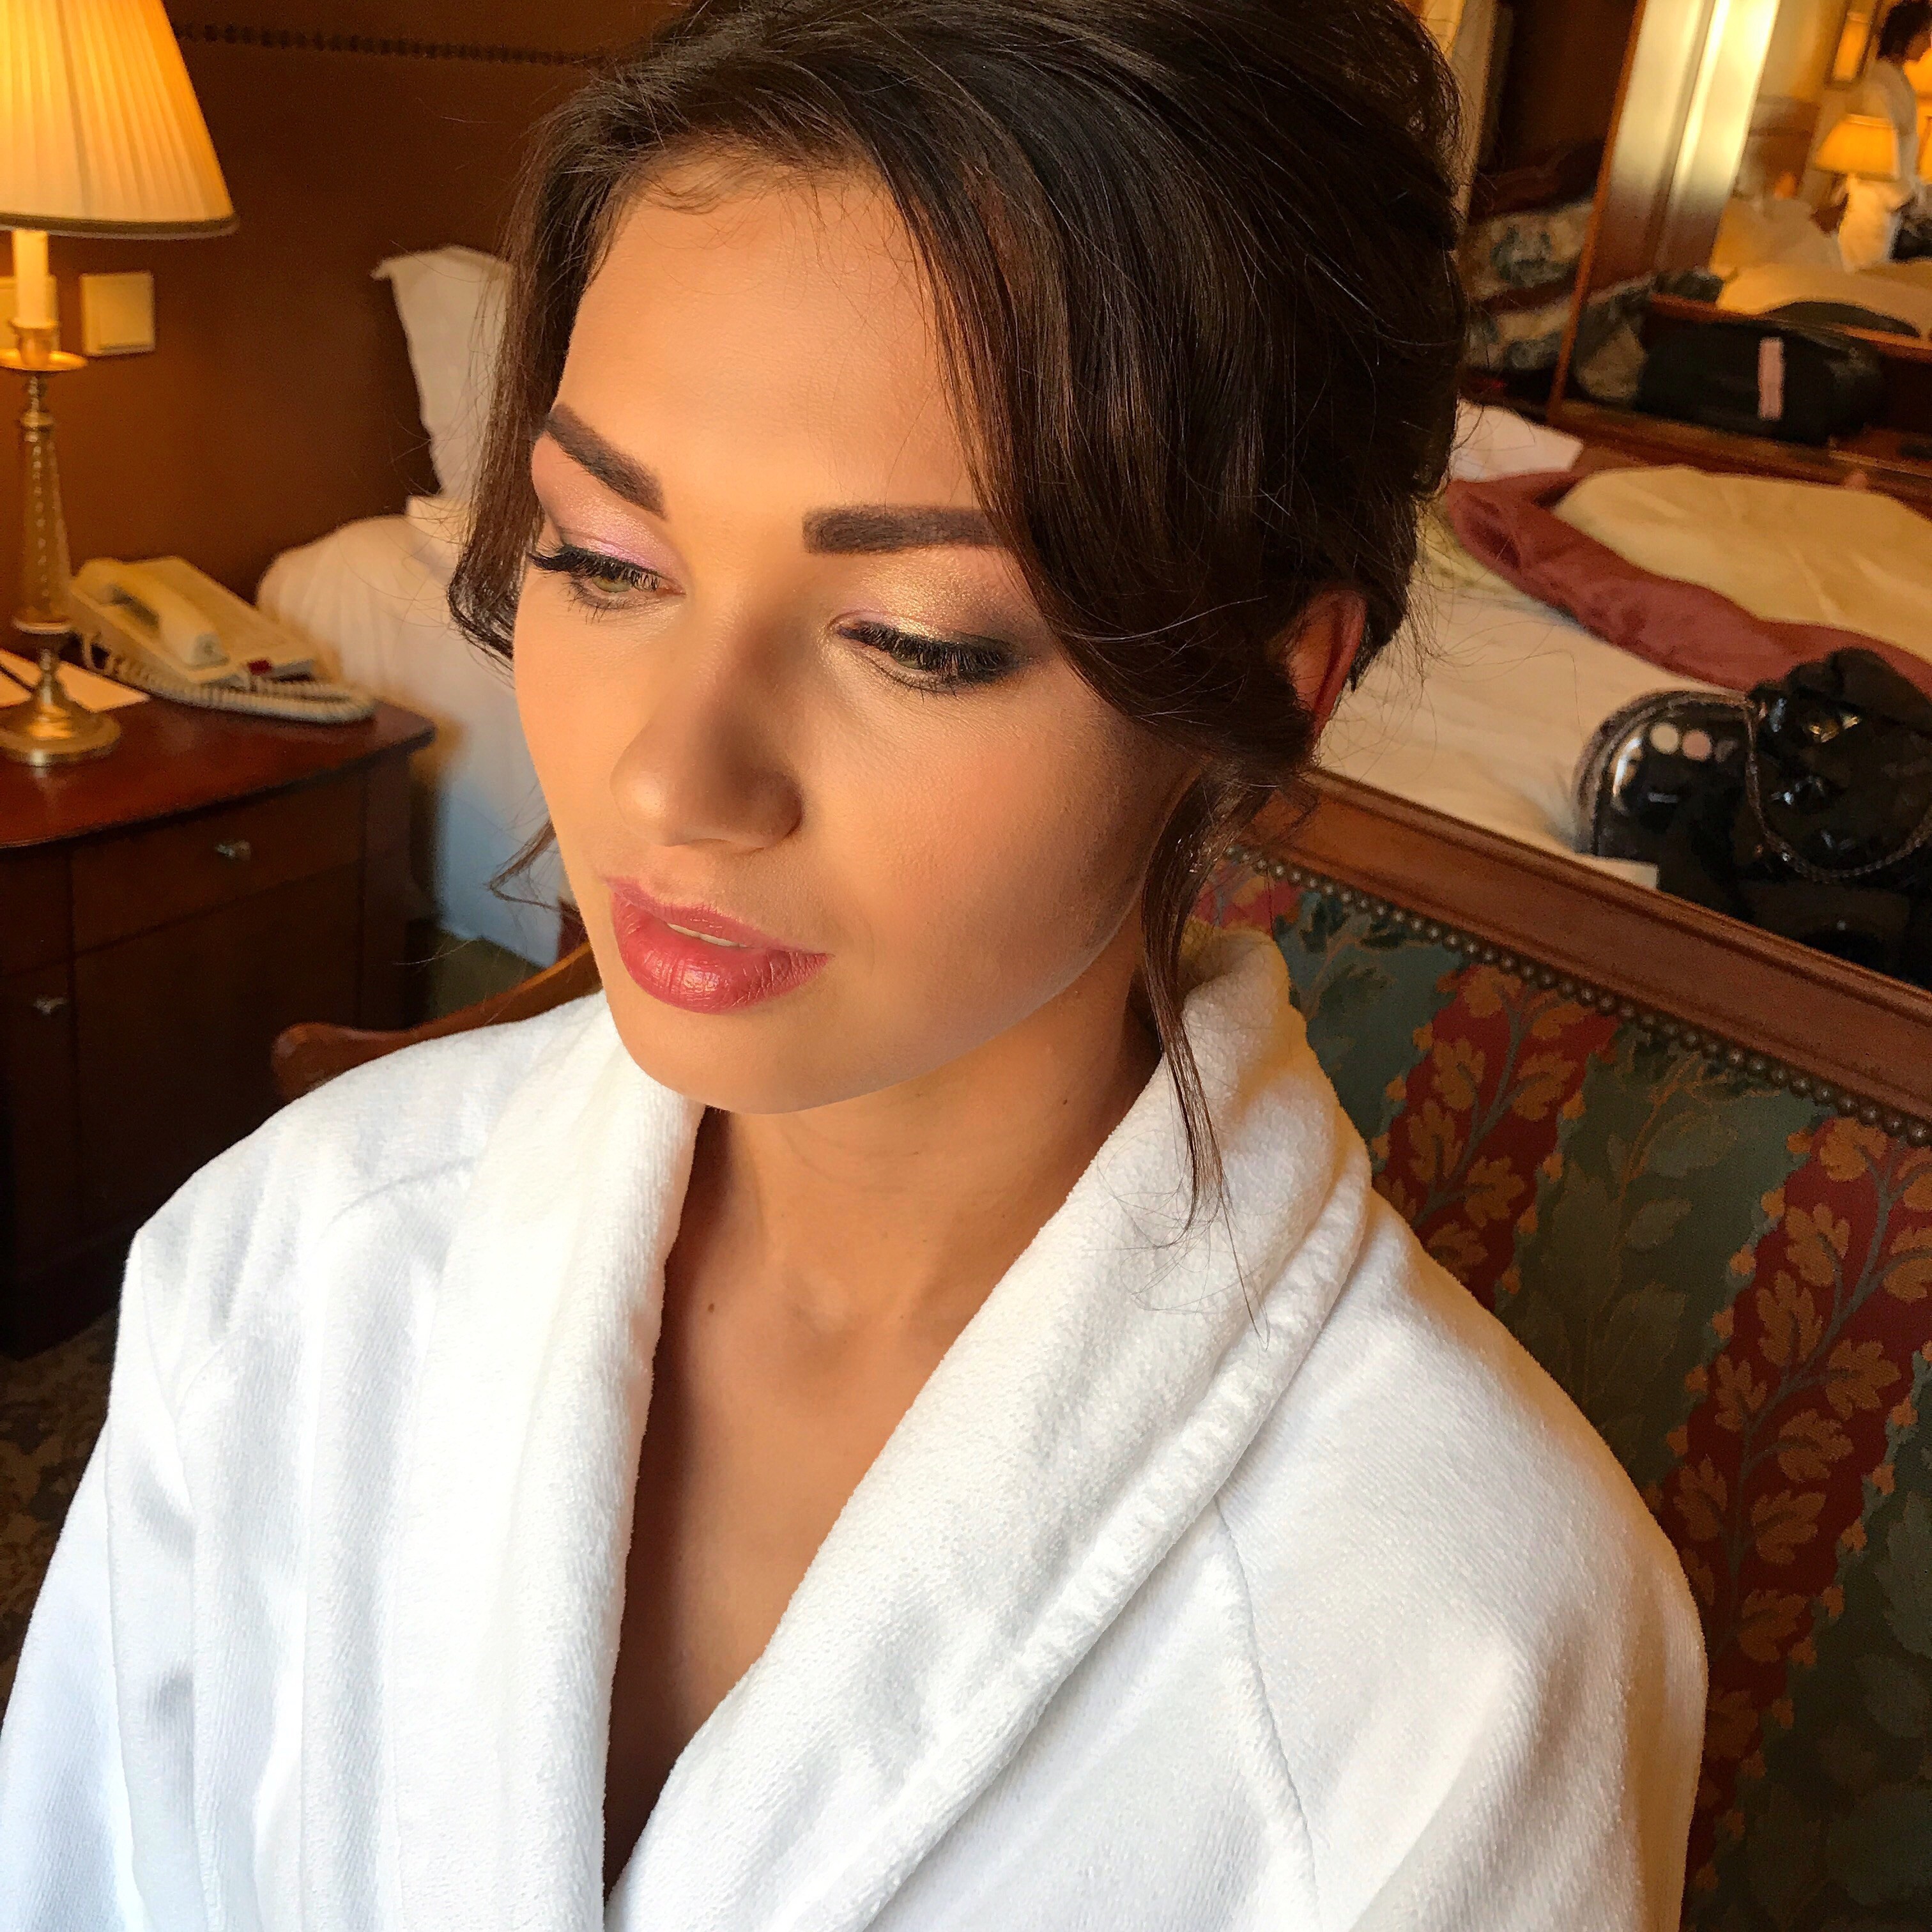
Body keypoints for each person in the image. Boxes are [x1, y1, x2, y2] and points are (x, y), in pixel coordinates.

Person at [0, 3, 1707, 1926]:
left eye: (914, 637)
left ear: (1273, 683)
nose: (671, 780)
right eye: (604, 558)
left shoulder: (1466, 1645)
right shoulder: (288, 1257)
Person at [1843, 0, 1932, 268]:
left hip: (1888, 209)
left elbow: (1902, 159)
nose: (1929, 44)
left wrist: (1918, 193)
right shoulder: (1877, 88)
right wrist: (1908, 198)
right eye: (1925, 35)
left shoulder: (1898, 82)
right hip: (1871, 206)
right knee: (1860, 274)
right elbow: (1874, 162)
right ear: (1905, 35)